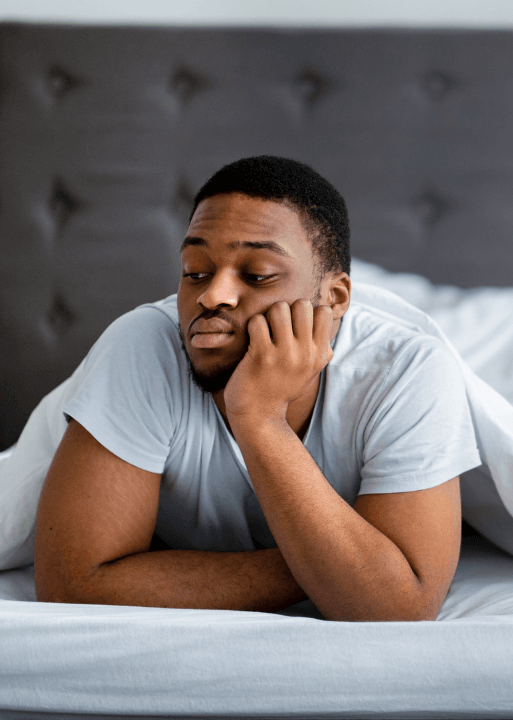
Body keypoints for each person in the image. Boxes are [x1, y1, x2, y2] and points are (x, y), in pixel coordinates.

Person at [33, 156, 481, 622]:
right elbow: (73, 584)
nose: (213, 296)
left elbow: (400, 609)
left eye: (258, 275)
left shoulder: (405, 370)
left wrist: (259, 418)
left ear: (335, 298)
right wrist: (341, 567)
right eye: (195, 270)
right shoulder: (144, 346)